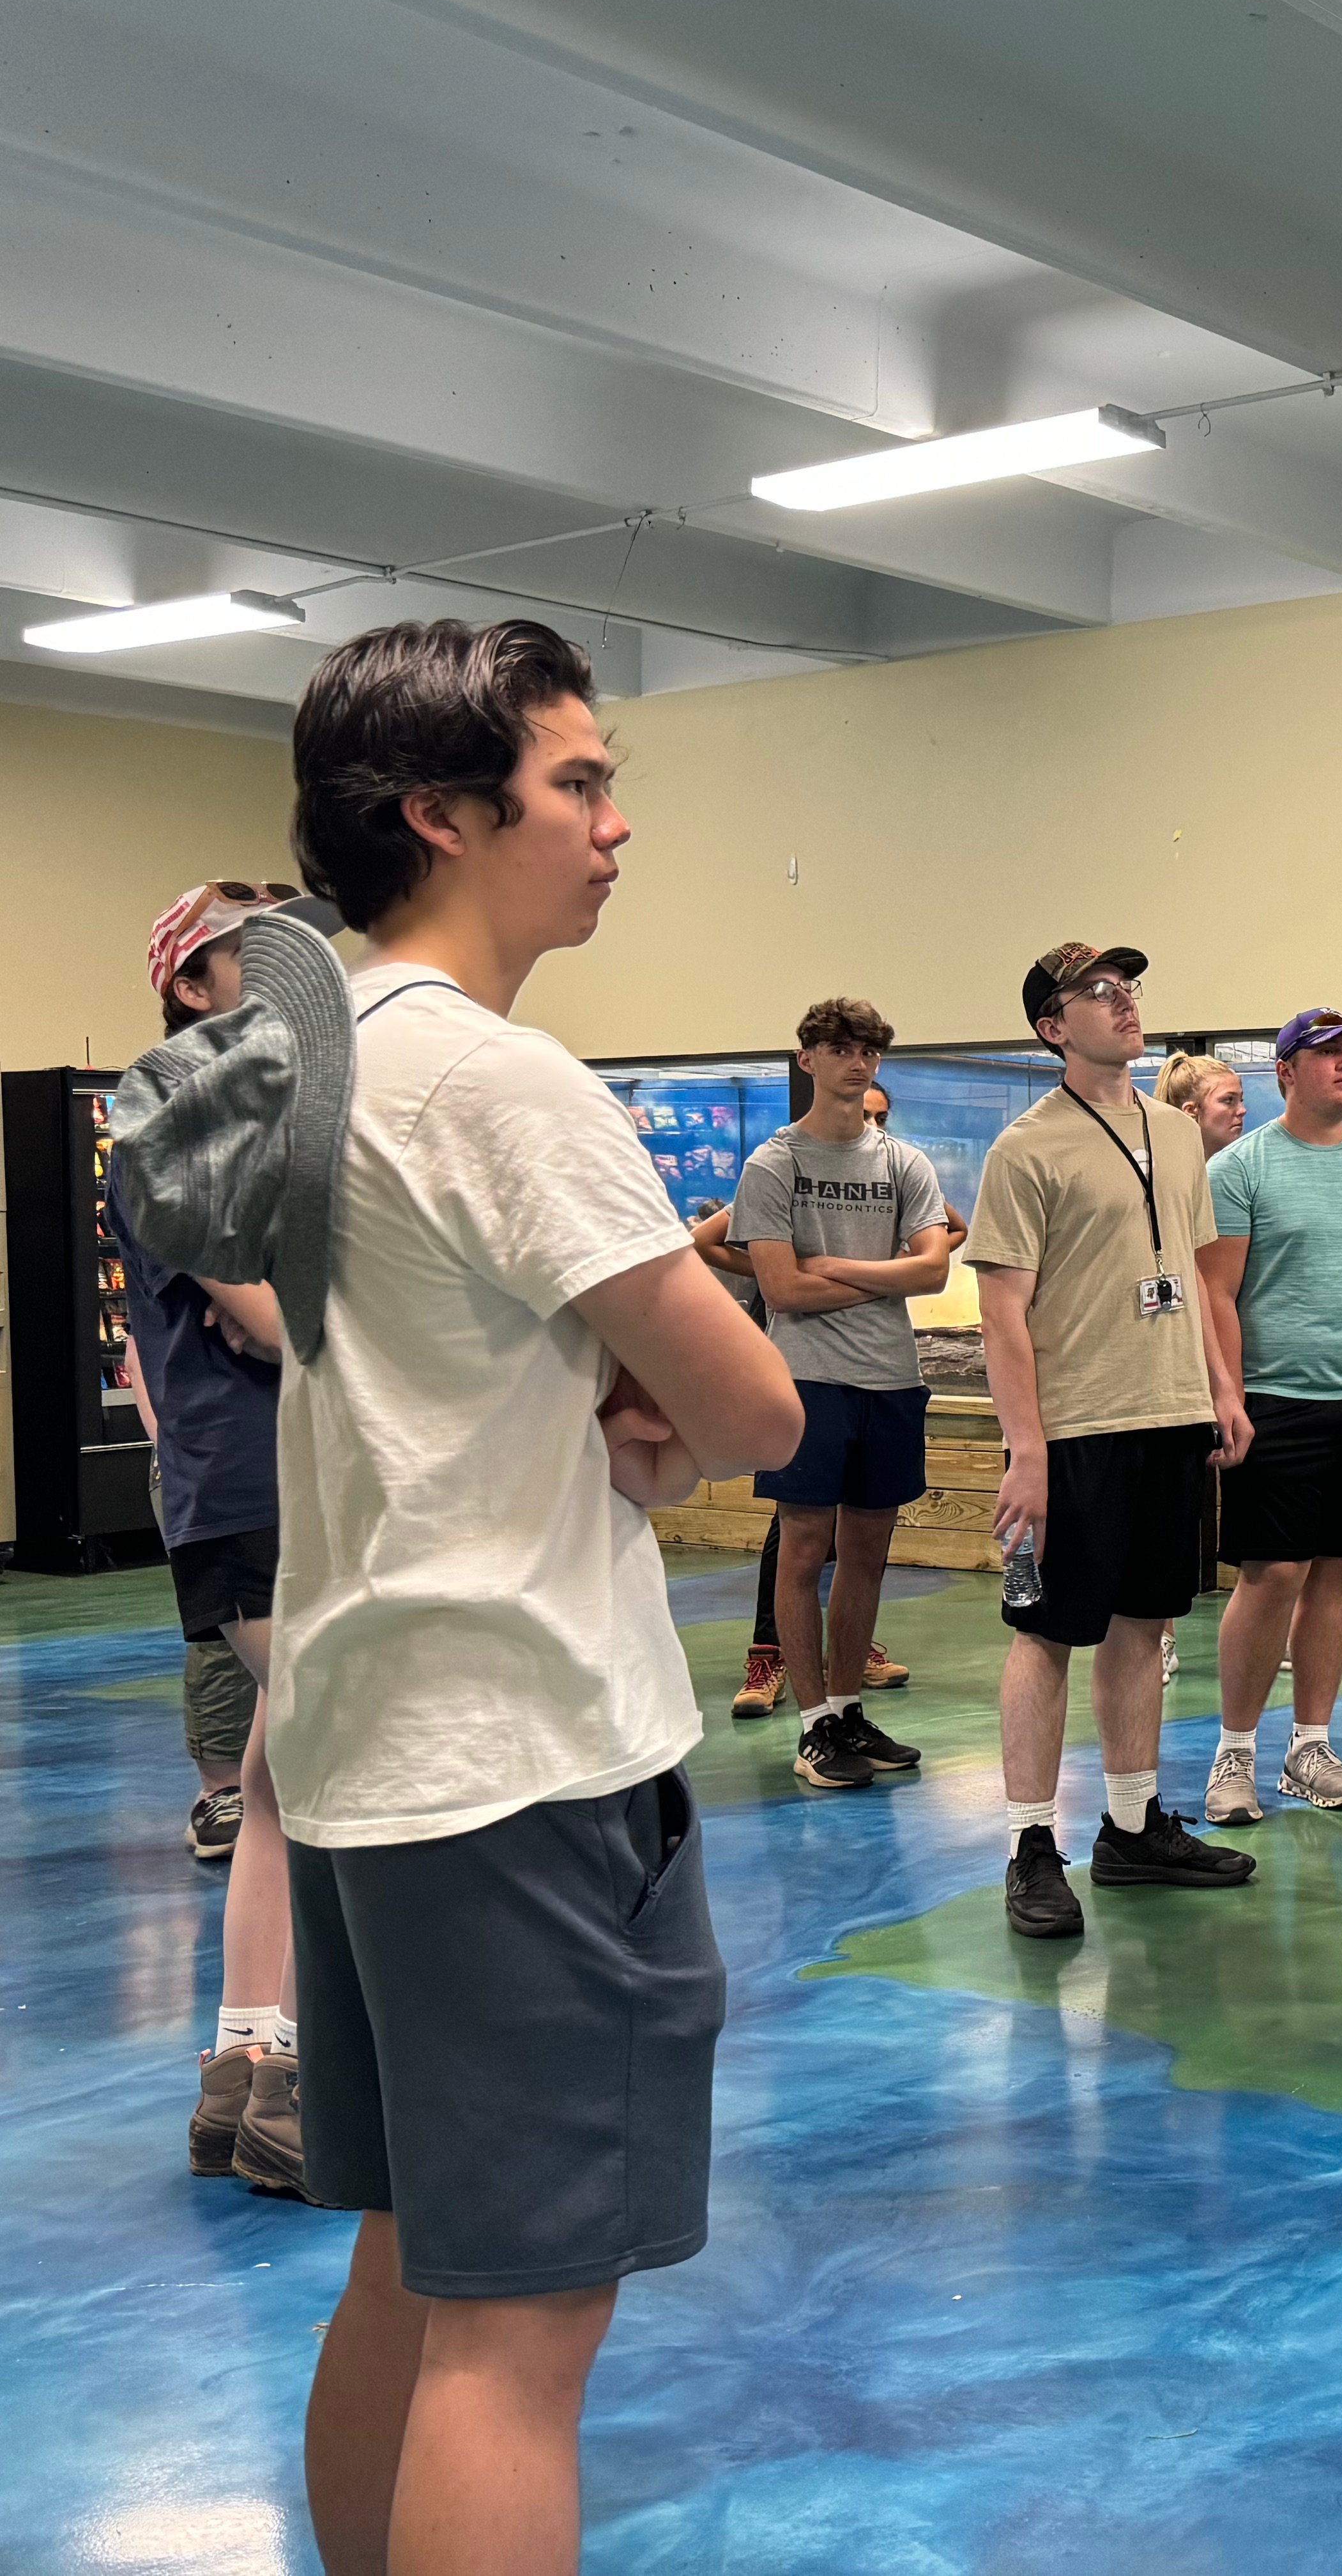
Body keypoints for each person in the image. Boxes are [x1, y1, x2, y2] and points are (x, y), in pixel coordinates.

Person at [259, 619, 802, 2576]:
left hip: (364, 1749)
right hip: (521, 1757)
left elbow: (447, 1379)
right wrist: (652, 1401)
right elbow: (752, 1407)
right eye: (577, 783)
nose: (612, 824)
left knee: (412, 2268)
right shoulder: (502, 1081)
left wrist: (596, 1401)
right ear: (442, 814)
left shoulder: (309, 1071)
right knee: (518, 2338)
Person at [967, 943, 1253, 1937]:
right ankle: (1029, 1845)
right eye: (1098, 991)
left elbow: (1197, 1277)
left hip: (1167, 1416)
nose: (1123, 1002)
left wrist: (1221, 1389)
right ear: (1054, 1028)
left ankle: (1131, 1829)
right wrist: (1027, 1451)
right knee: (1046, 1635)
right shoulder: (1025, 1150)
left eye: (1128, 987)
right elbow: (1002, 1314)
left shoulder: (1175, 1133)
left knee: (1144, 1625)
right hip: (1073, 1431)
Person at [114, 881, 309, 2193]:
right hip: (255, 1485)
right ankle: (293, 2078)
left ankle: (245, 2065)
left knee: (284, 1776)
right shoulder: (178, 1117)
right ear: (191, 987)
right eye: (257, 954)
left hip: (262, 1481)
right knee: (338, 1768)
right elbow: (268, 1317)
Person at [1200, 1009, 1342, 1823]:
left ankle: (1310, 1748)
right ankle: (1234, 1754)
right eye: (1327, 1053)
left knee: (1336, 1571)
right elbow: (1215, 1294)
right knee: (1272, 1576)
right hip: (1274, 1405)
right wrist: (1229, 1396)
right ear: (1285, 1072)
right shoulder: (1239, 1169)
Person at [734, 996, 956, 1795]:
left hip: (890, 1380)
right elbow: (782, 1291)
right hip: (807, 1381)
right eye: (839, 1049)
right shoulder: (773, 1165)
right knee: (803, 1551)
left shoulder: (904, 1163)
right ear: (809, 1060)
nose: (857, 1062)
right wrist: (882, 1279)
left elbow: (935, 1269)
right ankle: (813, 1726)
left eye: (867, 1050)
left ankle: (849, 1709)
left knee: (867, 1553)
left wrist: (836, 1267)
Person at [1154, 1048, 1247, 1657]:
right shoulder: (1171, 1180)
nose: (1241, 1112)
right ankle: (1157, 1634)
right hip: (1167, 1365)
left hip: (1216, 1365)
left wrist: (1227, 1384)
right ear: (1190, 1113)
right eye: (1228, 1101)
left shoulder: (1233, 1179)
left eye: (1242, 1100)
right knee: (1163, 1512)